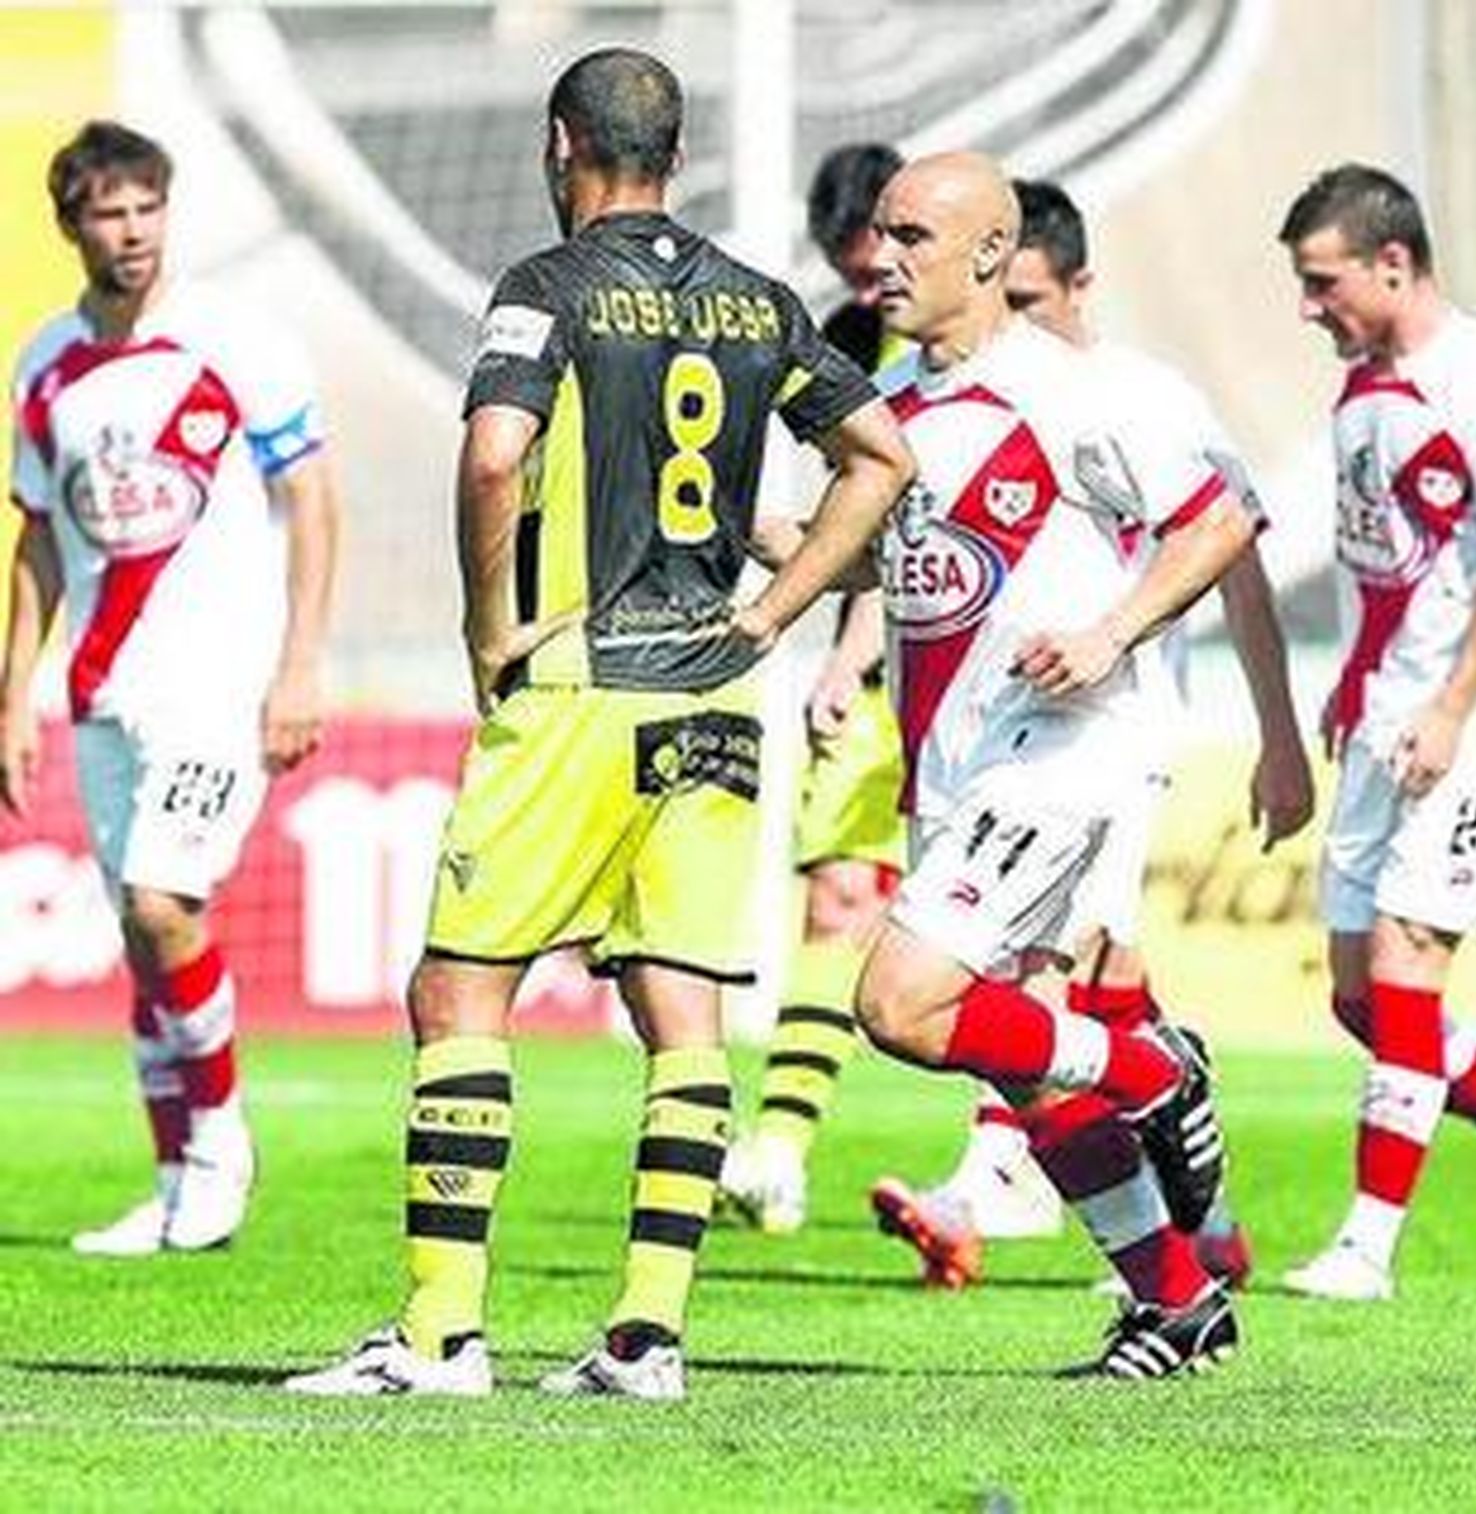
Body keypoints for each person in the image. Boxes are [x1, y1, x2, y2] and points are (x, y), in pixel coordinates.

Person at [284, 49, 912, 1402]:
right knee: (682, 1011)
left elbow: (493, 453)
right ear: (674, 153)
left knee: (459, 990)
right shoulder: (756, 300)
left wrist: (487, 626)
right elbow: (883, 458)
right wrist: (777, 608)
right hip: (716, 697)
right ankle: (646, 1336)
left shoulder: (546, 288)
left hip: (580, 682)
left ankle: (441, 1335)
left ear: (559, 143)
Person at [852, 151, 1257, 1377]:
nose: (881, 257)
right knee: (1012, 1051)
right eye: (879, 233)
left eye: (910, 236)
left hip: (1053, 751)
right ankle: (1177, 1302)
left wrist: (1108, 631)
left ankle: (1150, 1066)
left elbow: (1218, 520)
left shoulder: (1072, 393)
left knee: (898, 1002)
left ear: (989, 253)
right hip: (950, 761)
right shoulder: (897, 404)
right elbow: (887, 552)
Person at [1, 121, 338, 1256]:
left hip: (219, 681)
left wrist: (301, 663)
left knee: (162, 903)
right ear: (73, 226)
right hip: (104, 690)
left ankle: (221, 1146)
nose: (134, 231)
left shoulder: (234, 339)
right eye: (110, 213)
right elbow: (38, 540)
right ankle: (174, 1176)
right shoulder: (46, 364)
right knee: (140, 938)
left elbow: (315, 498)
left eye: (148, 208)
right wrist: (15, 695)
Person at [1275, 164, 1476, 1301]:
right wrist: (1355, 676)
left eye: (1323, 283)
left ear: (1394, 264)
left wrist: (1453, 707)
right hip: (1388, 710)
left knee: (1408, 958)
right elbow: (1393, 560)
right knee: (1358, 995)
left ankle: (1366, 1247)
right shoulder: (1364, 387)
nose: (1308, 307)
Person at [717, 142, 912, 1235]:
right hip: (880, 664)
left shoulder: (985, 343)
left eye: (880, 253)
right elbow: (859, 523)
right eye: (848, 264)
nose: (869, 281)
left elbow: (921, 521)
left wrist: (841, 647)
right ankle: (779, 1153)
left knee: (1049, 939)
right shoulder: (844, 341)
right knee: (838, 894)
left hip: (993, 666)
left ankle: (1034, 1166)